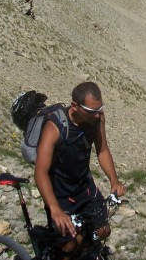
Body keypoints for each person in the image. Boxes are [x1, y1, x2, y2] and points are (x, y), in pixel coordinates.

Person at [34, 82, 126, 249]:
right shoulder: (54, 127)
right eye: (91, 111)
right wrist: (55, 209)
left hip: (85, 188)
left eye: (99, 109)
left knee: (103, 231)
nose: (97, 115)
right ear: (75, 106)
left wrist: (114, 180)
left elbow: (102, 150)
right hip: (61, 195)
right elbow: (41, 172)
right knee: (70, 245)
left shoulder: (97, 119)